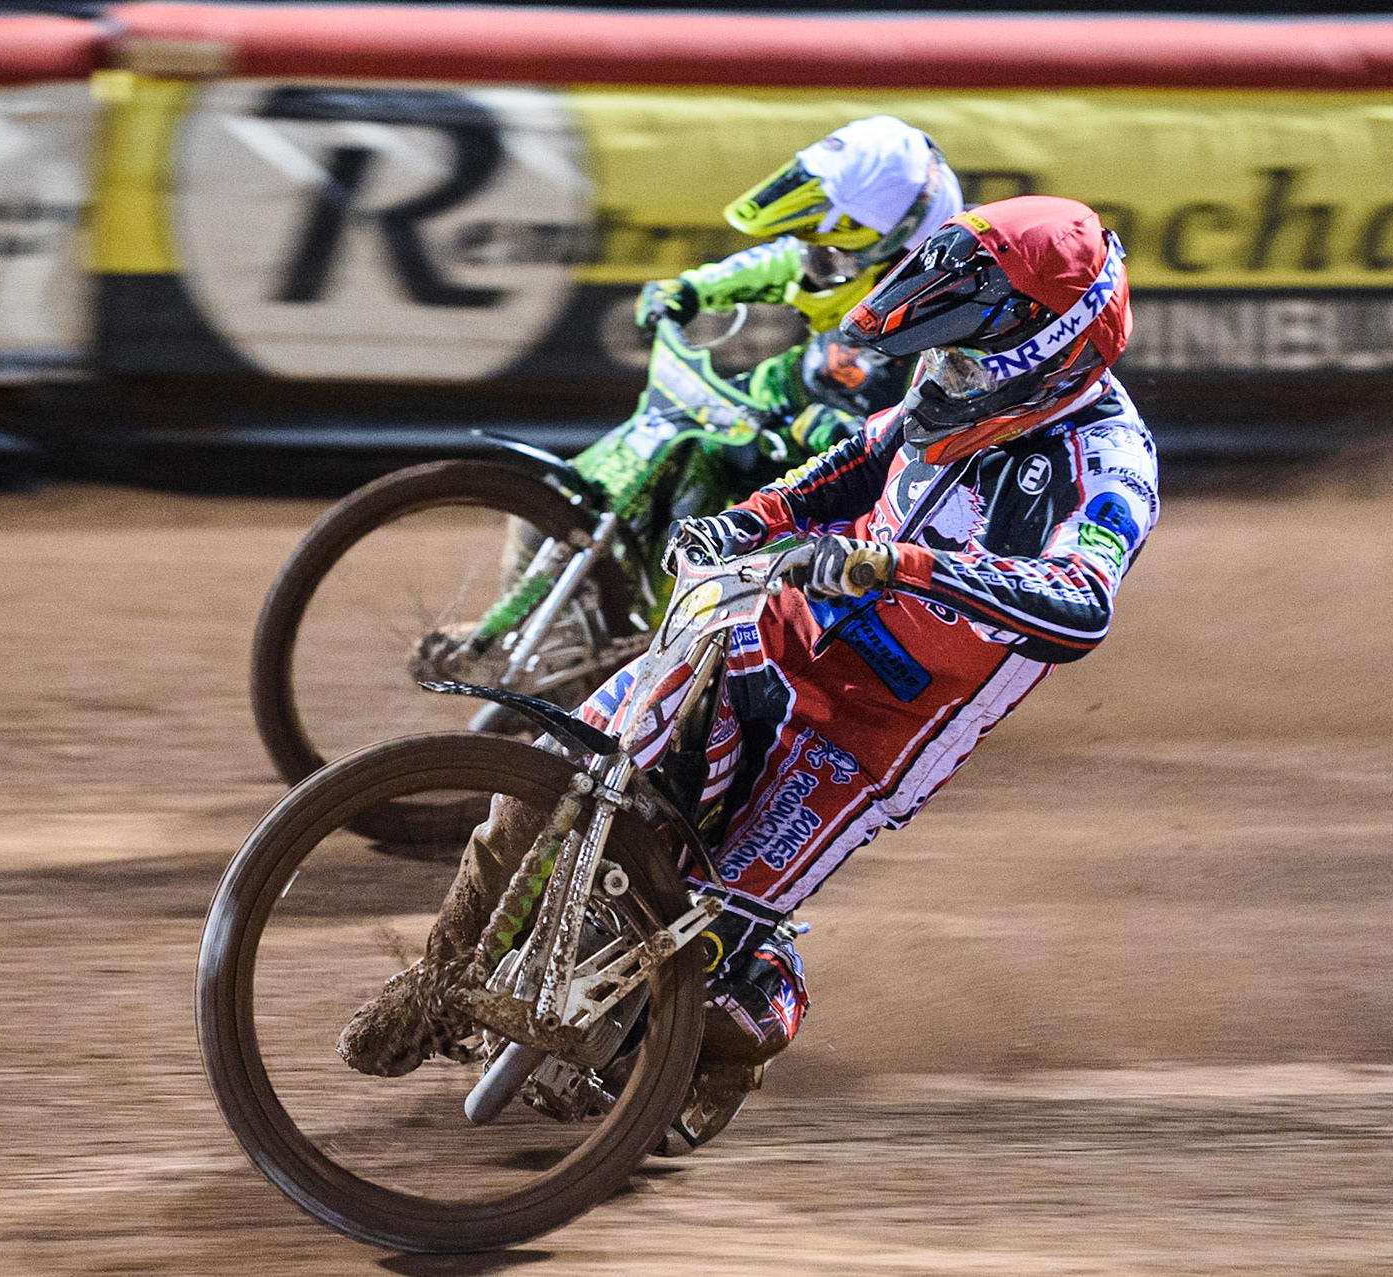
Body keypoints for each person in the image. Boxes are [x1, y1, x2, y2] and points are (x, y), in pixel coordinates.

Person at [339, 195, 1159, 1142]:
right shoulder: (948, 391)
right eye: (941, 354)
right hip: (765, 631)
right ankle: (439, 981)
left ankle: (718, 1060)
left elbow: (1081, 599)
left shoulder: (1110, 461)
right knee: (555, 776)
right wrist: (746, 522)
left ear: (1053, 359)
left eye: (967, 362)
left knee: (712, 935)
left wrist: (902, 565)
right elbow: (853, 464)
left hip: (871, 731)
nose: (942, 376)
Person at [625, 114, 965, 457]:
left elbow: (946, 442)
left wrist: (852, 434)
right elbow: (785, 260)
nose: (809, 267)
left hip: (842, 463)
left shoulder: (956, 320)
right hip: (770, 406)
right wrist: (690, 289)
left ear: (892, 252)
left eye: (828, 255)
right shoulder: (852, 252)